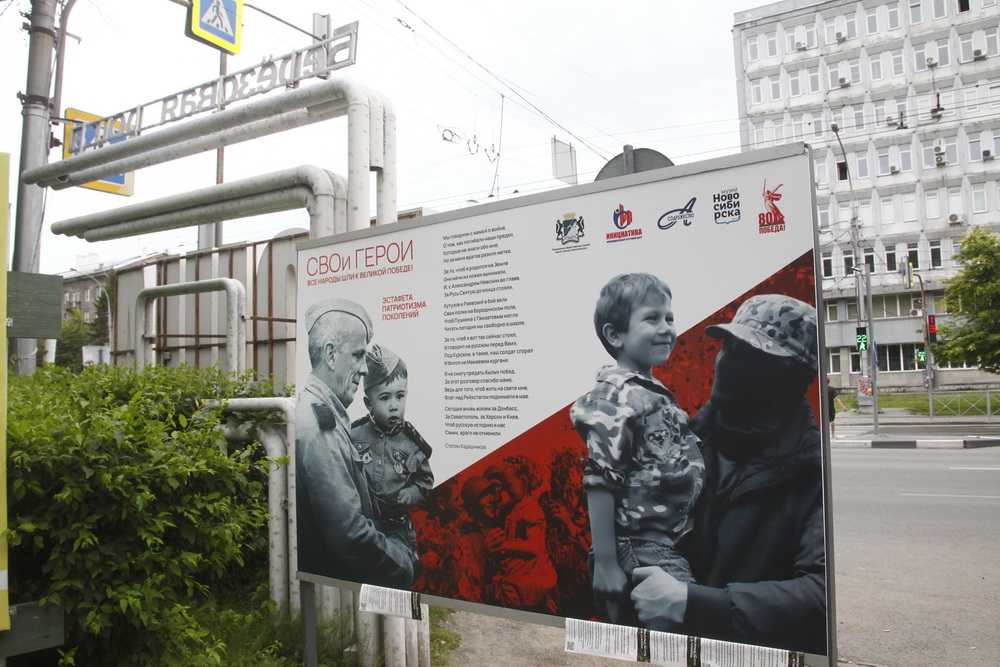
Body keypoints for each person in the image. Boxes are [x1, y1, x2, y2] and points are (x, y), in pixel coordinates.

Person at [631, 294, 828, 655]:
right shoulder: (678, 445)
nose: (731, 364)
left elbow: (821, 595)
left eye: (755, 358)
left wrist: (696, 605)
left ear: (793, 380)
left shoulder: (812, 474)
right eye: (730, 347)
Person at [570, 273, 705, 625]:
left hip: (665, 543)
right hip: (641, 547)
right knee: (686, 628)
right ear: (615, 335)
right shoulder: (616, 395)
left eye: (669, 318)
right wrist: (606, 563)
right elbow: (600, 479)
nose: (666, 328)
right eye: (652, 318)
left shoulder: (649, 390)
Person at [295, 298, 415, 588]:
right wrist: (403, 563)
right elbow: (349, 535)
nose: (364, 369)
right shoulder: (320, 427)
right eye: (358, 355)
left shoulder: (319, 412)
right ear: (331, 355)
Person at [350, 344, 434, 573]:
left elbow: (425, 482)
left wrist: (411, 494)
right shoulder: (354, 435)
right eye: (385, 398)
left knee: (399, 568)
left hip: (396, 526)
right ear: (369, 403)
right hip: (363, 522)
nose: (394, 406)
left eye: (400, 396)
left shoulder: (412, 443)